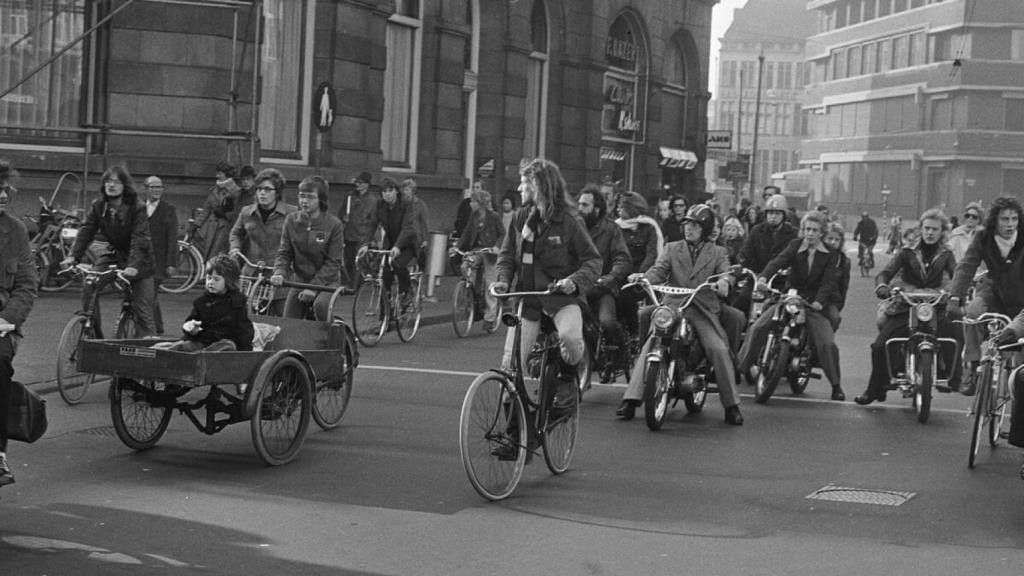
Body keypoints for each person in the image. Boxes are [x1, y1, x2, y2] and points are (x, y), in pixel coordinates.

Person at [616, 204, 744, 425]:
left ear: (705, 228)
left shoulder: (718, 252)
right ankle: (631, 399)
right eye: (686, 224)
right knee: (651, 343)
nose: (688, 228)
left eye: (694, 225)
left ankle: (731, 405)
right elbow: (658, 270)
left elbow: (726, 272)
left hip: (702, 308)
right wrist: (643, 278)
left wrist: (724, 282)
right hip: (673, 306)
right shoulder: (672, 248)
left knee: (717, 348)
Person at [493, 158, 601, 415]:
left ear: (539, 186)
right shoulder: (520, 218)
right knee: (510, 365)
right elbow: (507, 256)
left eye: (524, 184)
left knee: (570, 340)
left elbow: (593, 260)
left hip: (561, 300)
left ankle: (567, 381)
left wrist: (573, 282)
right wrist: (502, 280)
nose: (519, 189)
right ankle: (512, 428)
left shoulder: (569, 221)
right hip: (529, 301)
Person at [737, 210, 845, 401]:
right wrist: (763, 278)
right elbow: (777, 262)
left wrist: (819, 302)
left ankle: (836, 385)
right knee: (759, 326)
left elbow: (828, 282)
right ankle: (741, 368)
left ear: (821, 232)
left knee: (826, 342)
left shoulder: (831, 254)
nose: (809, 233)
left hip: (813, 303)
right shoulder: (795, 245)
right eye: (806, 229)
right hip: (790, 296)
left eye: (814, 230)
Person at [855, 209, 959, 405]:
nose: (930, 233)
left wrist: (957, 291)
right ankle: (875, 389)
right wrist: (883, 286)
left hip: (935, 307)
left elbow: (957, 275)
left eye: (935, 229)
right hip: (906, 306)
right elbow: (885, 272)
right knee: (880, 346)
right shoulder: (907, 251)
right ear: (920, 229)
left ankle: (949, 376)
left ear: (942, 232)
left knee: (953, 332)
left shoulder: (946, 254)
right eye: (927, 228)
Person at [64, 165, 157, 337]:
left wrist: (133, 266)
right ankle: (94, 334)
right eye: (108, 181)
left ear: (124, 186)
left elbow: (140, 238)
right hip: (115, 255)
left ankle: (148, 353)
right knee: (90, 283)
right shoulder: (98, 206)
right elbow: (86, 230)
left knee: (143, 313)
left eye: (116, 181)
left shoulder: (137, 207)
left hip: (140, 261)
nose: (111, 185)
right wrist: (73, 257)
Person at [949, 196, 1024, 395]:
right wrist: (955, 296)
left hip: (1021, 298)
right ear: (994, 220)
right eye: (1004, 219)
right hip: (994, 291)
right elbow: (966, 266)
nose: (1010, 225)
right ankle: (972, 367)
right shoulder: (984, 237)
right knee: (973, 314)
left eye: (1014, 219)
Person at [0, 161, 39, 487]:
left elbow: (26, 285)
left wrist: (6, 320)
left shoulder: (15, 231)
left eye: (5, 189)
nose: (1, 194)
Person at [271, 175, 345, 320]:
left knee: (321, 306)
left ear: (321, 199)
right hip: (300, 279)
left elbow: (333, 262)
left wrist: (313, 287)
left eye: (310, 197)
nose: (304, 201)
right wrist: (279, 272)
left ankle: (330, 337)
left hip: (327, 282)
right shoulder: (291, 220)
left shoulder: (333, 224)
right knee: (288, 323)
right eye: (301, 196)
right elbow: (284, 252)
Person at [577, 184, 631, 382]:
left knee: (607, 322)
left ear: (597, 208)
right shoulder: (574, 227)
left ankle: (617, 354)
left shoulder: (611, 229)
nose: (579, 208)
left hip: (603, 287)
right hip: (578, 286)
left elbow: (622, 258)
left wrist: (611, 277)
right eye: (579, 204)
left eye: (584, 205)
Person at [229, 168, 297, 316]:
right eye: (259, 189)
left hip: (279, 276)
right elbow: (236, 233)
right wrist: (235, 248)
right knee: (247, 316)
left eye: (267, 189)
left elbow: (300, 241)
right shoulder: (247, 212)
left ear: (277, 192)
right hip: (252, 274)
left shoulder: (292, 214)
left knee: (282, 318)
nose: (262, 193)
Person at [155, 254, 254, 352]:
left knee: (227, 345)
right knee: (180, 345)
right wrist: (190, 328)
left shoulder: (236, 303)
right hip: (200, 340)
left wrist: (245, 352)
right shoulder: (201, 302)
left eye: (216, 279)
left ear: (228, 281)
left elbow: (245, 331)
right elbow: (192, 320)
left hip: (222, 343)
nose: (211, 282)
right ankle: (160, 350)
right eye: (209, 278)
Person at [451, 188, 505, 331]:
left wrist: (496, 247)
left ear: (480, 203)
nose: (470, 204)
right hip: (476, 251)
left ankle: (490, 317)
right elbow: (467, 234)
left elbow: (502, 234)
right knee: (465, 267)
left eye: (473, 201)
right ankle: (473, 297)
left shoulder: (494, 216)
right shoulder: (473, 216)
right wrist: (456, 247)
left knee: (490, 282)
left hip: (490, 253)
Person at [735, 194, 798, 314]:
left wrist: (789, 271)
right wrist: (742, 263)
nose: (773, 217)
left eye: (777, 213)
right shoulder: (757, 231)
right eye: (770, 213)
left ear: (784, 216)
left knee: (785, 309)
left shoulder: (793, 234)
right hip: (757, 278)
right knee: (740, 303)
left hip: (780, 281)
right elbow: (746, 251)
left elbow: (795, 258)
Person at [364, 178, 418, 308]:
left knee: (397, 264)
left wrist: (398, 246)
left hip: (407, 244)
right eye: (384, 191)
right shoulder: (380, 205)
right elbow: (372, 225)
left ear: (396, 192)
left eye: (390, 190)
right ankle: (385, 319)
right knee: (385, 277)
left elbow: (407, 228)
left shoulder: (405, 205)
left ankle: (408, 291)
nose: (387, 194)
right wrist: (365, 244)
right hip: (390, 243)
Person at [143, 176, 178, 334]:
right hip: (141, 259)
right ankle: (158, 326)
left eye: (160, 187)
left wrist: (171, 263)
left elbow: (173, 237)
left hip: (159, 261)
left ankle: (149, 329)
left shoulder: (168, 209)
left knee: (151, 293)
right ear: (146, 189)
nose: (157, 190)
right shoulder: (138, 207)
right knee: (149, 294)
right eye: (153, 187)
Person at [339, 171, 378, 291]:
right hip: (349, 234)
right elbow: (341, 212)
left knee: (358, 262)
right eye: (357, 182)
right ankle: (346, 284)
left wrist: (371, 238)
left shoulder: (372, 200)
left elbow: (374, 220)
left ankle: (354, 287)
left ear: (367, 184)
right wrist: (343, 217)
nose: (358, 185)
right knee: (347, 260)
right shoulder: (349, 196)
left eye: (361, 183)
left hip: (362, 236)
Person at [195, 161, 239, 260]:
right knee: (209, 255)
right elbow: (206, 209)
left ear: (226, 174)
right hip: (212, 228)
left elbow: (238, 213)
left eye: (220, 173)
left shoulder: (235, 191)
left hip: (225, 229)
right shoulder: (214, 190)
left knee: (219, 256)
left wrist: (225, 214)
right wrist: (196, 224)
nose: (217, 176)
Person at [616, 191, 663, 274]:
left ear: (631, 209)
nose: (618, 209)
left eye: (621, 207)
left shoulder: (649, 226)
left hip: (642, 274)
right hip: (618, 273)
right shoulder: (615, 227)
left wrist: (639, 275)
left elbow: (651, 254)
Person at [823, 221, 851, 331]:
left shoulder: (844, 261)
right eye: (830, 238)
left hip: (830, 301)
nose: (833, 242)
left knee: (835, 318)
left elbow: (843, 287)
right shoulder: (815, 254)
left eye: (836, 239)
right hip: (810, 297)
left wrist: (837, 305)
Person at [401, 178, 430, 270]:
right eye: (404, 189)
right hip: (403, 235)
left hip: (416, 236)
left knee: (413, 259)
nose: (404, 192)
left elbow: (424, 222)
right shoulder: (401, 204)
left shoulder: (420, 204)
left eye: (407, 189)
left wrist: (425, 239)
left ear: (413, 191)